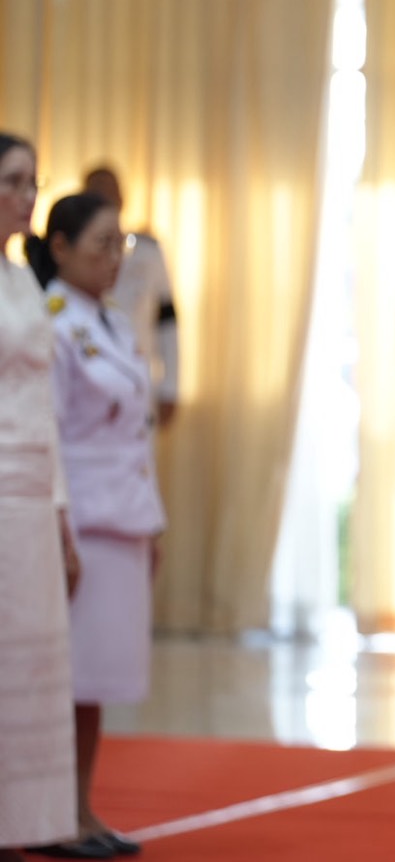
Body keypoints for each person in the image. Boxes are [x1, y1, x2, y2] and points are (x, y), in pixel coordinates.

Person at [26, 192, 166, 859]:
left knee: (97, 684)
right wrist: (57, 525)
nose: (114, 259)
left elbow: (138, 431)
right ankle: (54, 815)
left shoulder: (110, 322)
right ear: (60, 248)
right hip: (81, 518)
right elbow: (45, 432)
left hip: (123, 516)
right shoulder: (52, 321)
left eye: (120, 246)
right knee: (68, 684)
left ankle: (82, 809)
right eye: (101, 245)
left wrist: (153, 520)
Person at [0, 133, 81, 862]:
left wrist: (60, 510)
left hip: (31, 486)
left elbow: (42, 403)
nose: (28, 196)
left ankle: (23, 819)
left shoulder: (24, 275)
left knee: (30, 660)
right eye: (14, 181)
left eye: (33, 181)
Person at [80, 165, 179, 429]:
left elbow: (167, 320)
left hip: (136, 376)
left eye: (110, 192)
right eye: (96, 193)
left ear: (123, 198)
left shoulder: (146, 251)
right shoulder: (72, 255)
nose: (104, 200)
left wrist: (171, 385)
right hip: (86, 385)